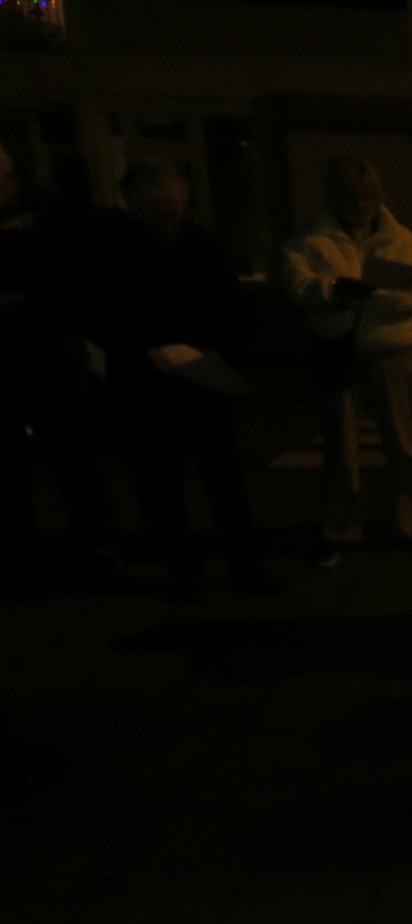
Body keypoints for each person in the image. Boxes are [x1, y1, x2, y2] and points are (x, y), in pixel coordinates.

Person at [87, 159, 268, 601]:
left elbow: (232, 305)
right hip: (145, 383)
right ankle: (181, 568)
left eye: (177, 208)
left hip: (205, 377)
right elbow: (95, 312)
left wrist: (227, 355)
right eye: (161, 210)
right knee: (158, 484)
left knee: (226, 479)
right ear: (133, 204)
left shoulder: (203, 243)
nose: (171, 218)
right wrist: (141, 349)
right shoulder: (108, 248)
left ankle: (244, 566)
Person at [279, 156, 412, 564]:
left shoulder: (401, 239)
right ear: (333, 195)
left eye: (368, 195)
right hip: (337, 349)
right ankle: (341, 527)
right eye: (351, 195)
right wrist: (334, 293)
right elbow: (295, 287)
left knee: (401, 442)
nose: (361, 203)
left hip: (390, 350)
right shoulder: (312, 239)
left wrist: (368, 296)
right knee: (339, 446)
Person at [0, 142, 113, 594]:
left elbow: (75, 279)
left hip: (50, 350)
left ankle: (94, 547)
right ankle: (18, 558)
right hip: (17, 354)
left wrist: (34, 303)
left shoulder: (49, 217)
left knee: (76, 456)